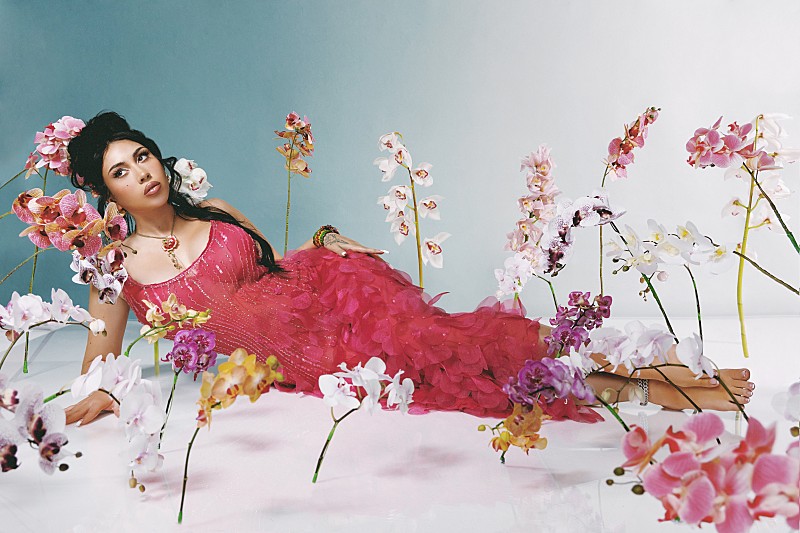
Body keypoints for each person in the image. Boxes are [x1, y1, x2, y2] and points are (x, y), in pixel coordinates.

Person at [64, 112, 755, 426]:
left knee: (461, 342)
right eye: (120, 171)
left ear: (158, 157)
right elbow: (101, 360)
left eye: (142, 156)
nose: (141, 173)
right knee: (463, 374)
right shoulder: (113, 267)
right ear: (107, 194)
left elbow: (271, 263)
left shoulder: (212, 209)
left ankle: (663, 377)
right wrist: (97, 394)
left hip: (336, 294)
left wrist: (326, 237)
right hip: (314, 356)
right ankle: (650, 388)